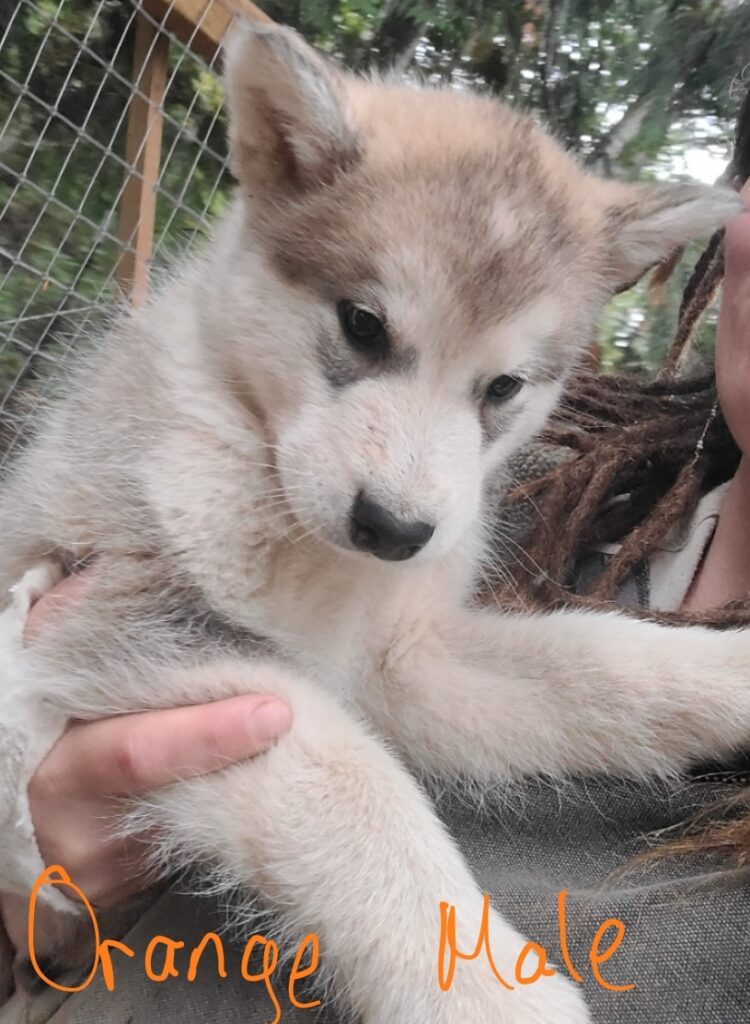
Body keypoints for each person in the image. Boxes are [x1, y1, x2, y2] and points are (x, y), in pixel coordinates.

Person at [1, 94, 749, 1024]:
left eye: (500, 389)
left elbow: (417, 668)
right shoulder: (183, 398)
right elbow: (172, 675)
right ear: (282, 154)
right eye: (364, 328)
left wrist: (721, 684)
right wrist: (442, 968)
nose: (411, 493)